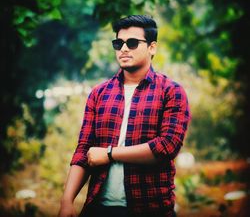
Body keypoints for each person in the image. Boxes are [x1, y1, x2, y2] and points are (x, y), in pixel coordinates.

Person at [58, 15, 190, 217]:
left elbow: (167, 146)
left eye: (132, 43)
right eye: (118, 43)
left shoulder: (170, 92)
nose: (124, 49)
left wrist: (110, 154)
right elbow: (84, 150)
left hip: (151, 209)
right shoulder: (99, 93)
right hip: (98, 209)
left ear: (152, 47)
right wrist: (67, 201)